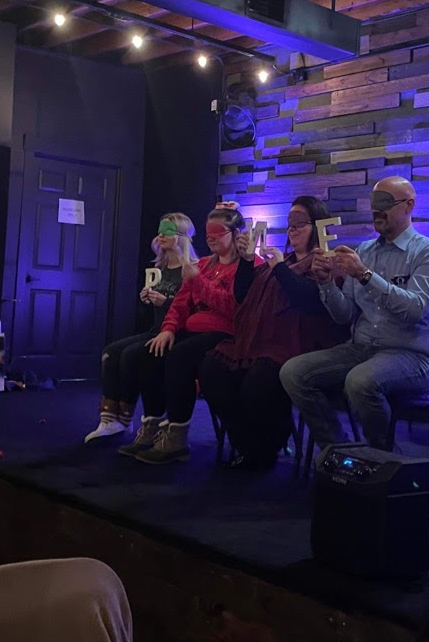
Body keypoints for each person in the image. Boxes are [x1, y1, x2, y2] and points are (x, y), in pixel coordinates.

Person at [280, 176, 429, 452]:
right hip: (363, 349)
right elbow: (343, 315)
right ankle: (339, 452)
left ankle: (383, 458)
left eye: (384, 203)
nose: (375, 211)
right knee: (293, 372)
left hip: (415, 355)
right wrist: (324, 283)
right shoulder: (365, 251)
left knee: (360, 381)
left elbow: (414, 309)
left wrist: (364, 275)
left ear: (408, 206)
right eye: (373, 204)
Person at [199, 196, 346, 470]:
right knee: (213, 371)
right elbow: (243, 295)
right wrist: (245, 261)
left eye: (300, 224)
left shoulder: (327, 262)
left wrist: (278, 268)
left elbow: (309, 302)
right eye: (290, 225)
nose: (293, 230)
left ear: (317, 225)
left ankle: (265, 449)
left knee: (259, 381)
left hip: (301, 343)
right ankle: (247, 444)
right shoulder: (285, 260)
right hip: (261, 341)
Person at [120, 206, 245, 465]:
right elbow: (180, 302)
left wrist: (200, 282)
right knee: (148, 351)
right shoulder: (201, 265)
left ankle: (177, 436)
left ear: (234, 234)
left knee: (179, 356)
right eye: (208, 232)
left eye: (217, 232)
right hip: (193, 329)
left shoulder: (243, 268)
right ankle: (152, 425)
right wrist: (167, 329)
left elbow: (232, 307)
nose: (210, 237)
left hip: (224, 332)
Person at [84, 213, 198, 443]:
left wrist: (164, 302)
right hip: (155, 330)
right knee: (110, 352)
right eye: (160, 230)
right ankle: (110, 417)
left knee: (130, 355)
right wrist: (146, 301)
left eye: (167, 231)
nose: (160, 235)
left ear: (180, 236)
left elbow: (192, 313)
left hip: (177, 335)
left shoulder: (192, 270)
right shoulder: (159, 269)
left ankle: (125, 419)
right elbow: (150, 318)